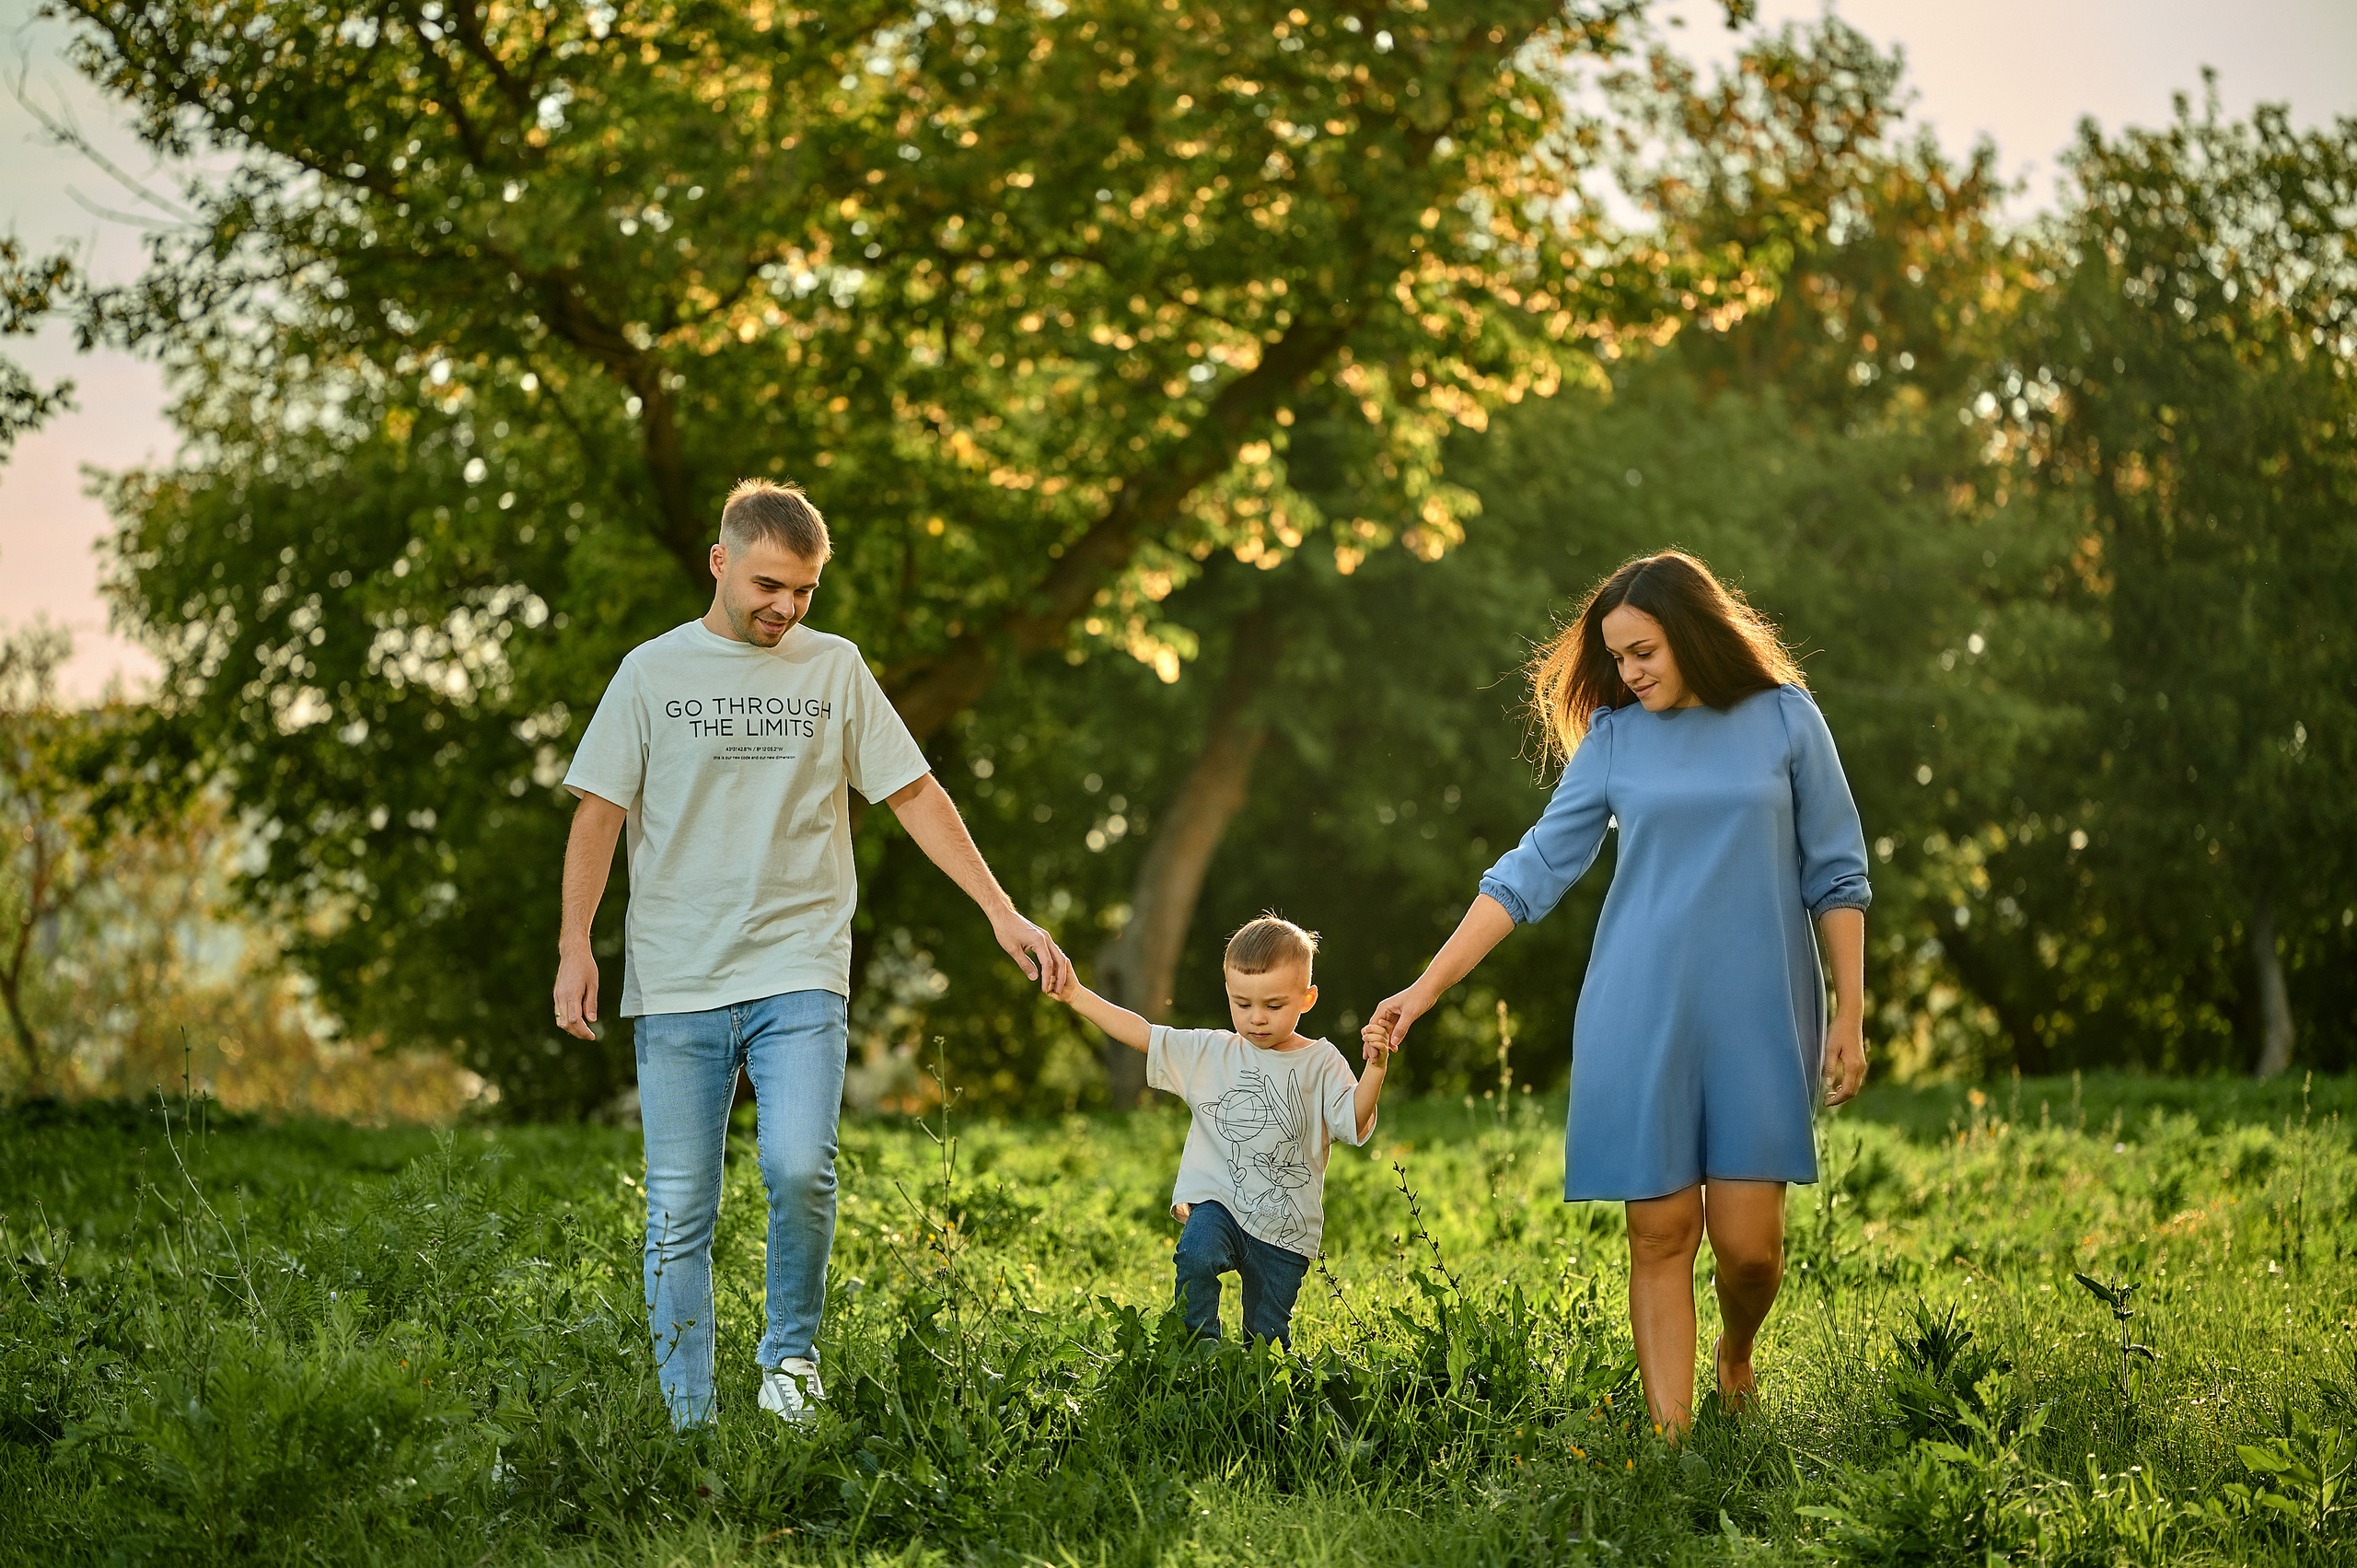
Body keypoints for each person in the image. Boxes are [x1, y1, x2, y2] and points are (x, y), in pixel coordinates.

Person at [552, 478, 1071, 1427]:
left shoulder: (833, 670)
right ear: (720, 562)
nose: (784, 607)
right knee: (679, 1208)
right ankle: (689, 1419)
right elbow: (599, 809)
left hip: (799, 966)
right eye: (766, 584)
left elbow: (913, 792)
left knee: (799, 1165)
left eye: (802, 590)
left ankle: (789, 1357)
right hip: (676, 975)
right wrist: (574, 946)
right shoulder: (650, 672)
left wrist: (1003, 911)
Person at [1367, 551, 1871, 1435]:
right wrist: (1424, 987)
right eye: (1617, 658)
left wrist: (1852, 1013)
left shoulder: (1787, 718)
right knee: (1661, 1234)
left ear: (1694, 633)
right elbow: (1531, 871)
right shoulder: (1615, 739)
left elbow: (1836, 873)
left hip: (1760, 1012)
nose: (1628, 674)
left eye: (1643, 652)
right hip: (1640, 1008)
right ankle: (1674, 1445)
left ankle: (1736, 1353)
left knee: (1750, 1252)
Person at [1053, 915, 1390, 1347]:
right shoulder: (1211, 1052)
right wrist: (1077, 995)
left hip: (1285, 1228)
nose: (1256, 1019)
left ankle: (1257, 1386)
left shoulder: (1321, 1063)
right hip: (1220, 1205)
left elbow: (1353, 1122)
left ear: (1307, 999)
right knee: (1195, 1253)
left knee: (1267, 1342)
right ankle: (1197, 1354)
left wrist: (1375, 1069)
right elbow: (1143, 1034)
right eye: (1242, 1004)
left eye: (1274, 1005)